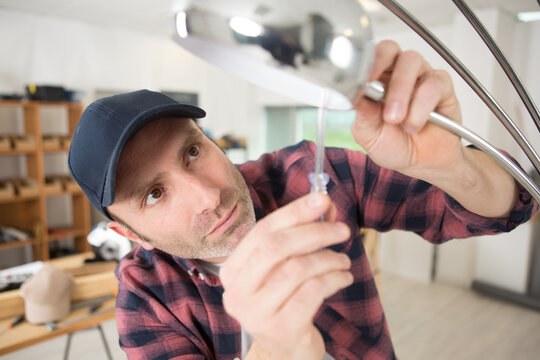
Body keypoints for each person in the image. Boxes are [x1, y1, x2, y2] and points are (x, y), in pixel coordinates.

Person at [68, 40, 537, 360]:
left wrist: (448, 164)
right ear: (128, 234)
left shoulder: (309, 174)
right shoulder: (145, 301)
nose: (209, 196)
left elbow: (502, 209)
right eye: (154, 194)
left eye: (192, 151)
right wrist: (276, 345)